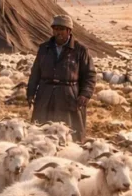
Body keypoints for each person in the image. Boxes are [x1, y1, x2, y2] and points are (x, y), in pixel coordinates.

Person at [27, 13, 96, 143]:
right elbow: (35, 72)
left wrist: (85, 94)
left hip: (69, 96)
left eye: (61, 29)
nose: (58, 32)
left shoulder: (80, 50)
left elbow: (89, 75)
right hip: (45, 94)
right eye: (55, 29)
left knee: (69, 134)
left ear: (69, 31)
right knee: (41, 131)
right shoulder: (44, 48)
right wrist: (30, 93)